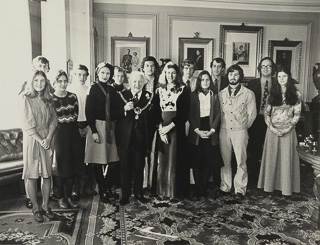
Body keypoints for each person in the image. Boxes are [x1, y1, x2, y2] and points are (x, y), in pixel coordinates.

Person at [115, 71, 160, 205]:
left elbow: (155, 117)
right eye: (134, 81)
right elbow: (114, 114)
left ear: (144, 83)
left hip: (141, 138)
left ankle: (139, 193)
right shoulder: (122, 95)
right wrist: (124, 109)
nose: (137, 84)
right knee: (124, 167)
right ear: (129, 82)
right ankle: (125, 195)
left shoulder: (150, 97)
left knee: (139, 166)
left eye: (140, 82)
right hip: (125, 137)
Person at [258, 66, 301, 196]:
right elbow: (266, 113)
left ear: (289, 77)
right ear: (277, 78)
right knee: (272, 158)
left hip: (288, 131)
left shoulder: (296, 94)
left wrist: (288, 128)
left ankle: (286, 188)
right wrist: (272, 128)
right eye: (279, 76)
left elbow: (297, 114)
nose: (282, 79)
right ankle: (270, 186)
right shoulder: (272, 93)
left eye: (284, 76)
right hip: (272, 131)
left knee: (286, 159)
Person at [21, 70, 57, 222]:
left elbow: (54, 120)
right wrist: (40, 139)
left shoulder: (49, 98)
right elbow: (27, 123)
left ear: (46, 82)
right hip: (32, 139)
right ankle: (35, 208)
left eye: (42, 81)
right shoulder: (25, 98)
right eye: (36, 81)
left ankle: (45, 205)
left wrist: (48, 138)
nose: (39, 84)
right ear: (32, 82)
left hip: (47, 139)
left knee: (47, 174)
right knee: (32, 174)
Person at [217, 64, 256, 200]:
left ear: (240, 76)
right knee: (225, 161)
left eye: (236, 74)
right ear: (227, 76)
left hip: (240, 131)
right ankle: (225, 187)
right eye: (230, 74)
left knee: (241, 161)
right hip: (224, 130)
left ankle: (240, 189)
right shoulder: (221, 94)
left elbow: (252, 115)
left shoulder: (248, 94)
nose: (232, 77)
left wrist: (242, 127)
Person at [85, 62, 120, 203]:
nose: (105, 76)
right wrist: (93, 130)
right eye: (102, 73)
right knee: (98, 161)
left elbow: (118, 108)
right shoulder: (93, 89)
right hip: (97, 127)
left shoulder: (112, 90)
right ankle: (103, 189)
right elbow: (89, 111)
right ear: (98, 73)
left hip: (110, 127)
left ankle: (106, 186)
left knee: (113, 160)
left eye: (108, 73)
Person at [156, 62, 191, 201]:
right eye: (168, 73)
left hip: (176, 129)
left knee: (176, 159)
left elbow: (183, 114)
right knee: (163, 160)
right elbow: (156, 113)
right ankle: (163, 190)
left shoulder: (183, 90)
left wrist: (168, 128)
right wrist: (161, 130)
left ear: (177, 75)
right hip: (162, 128)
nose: (170, 75)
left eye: (173, 73)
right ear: (164, 74)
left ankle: (174, 192)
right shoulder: (159, 90)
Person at [188, 70, 222, 200]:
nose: (205, 82)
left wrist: (212, 130)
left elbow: (218, 114)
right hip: (197, 128)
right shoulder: (193, 95)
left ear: (210, 81)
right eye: (202, 80)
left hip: (210, 128)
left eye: (208, 80)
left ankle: (203, 188)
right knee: (197, 161)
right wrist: (197, 130)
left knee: (207, 160)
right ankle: (196, 189)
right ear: (199, 81)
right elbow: (190, 114)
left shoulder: (215, 95)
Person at [52, 70, 83, 209]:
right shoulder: (50, 99)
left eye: (65, 81)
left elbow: (75, 114)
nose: (63, 84)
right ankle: (61, 198)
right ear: (55, 83)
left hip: (73, 132)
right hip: (58, 134)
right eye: (60, 81)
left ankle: (69, 196)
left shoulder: (73, 97)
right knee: (60, 167)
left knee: (72, 165)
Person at [247, 57, 276, 185]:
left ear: (272, 68)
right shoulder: (252, 83)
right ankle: (253, 178)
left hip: (273, 120)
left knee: (270, 149)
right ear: (259, 68)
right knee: (254, 148)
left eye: (269, 66)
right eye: (263, 66)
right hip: (256, 120)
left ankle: (269, 179)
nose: (266, 68)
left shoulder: (277, 83)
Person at [68, 64, 96, 198]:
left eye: (84, 75)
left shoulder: (90, 89)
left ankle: (88, 187)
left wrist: (88, 126)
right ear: (74, 75)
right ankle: (75, 187)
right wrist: (77, 128)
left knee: (88, 157)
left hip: (88, 124)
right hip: (73, 125)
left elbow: (92, 110)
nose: (82, 77)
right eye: (79, 74)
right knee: (76, 157)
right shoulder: (69, 89)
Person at [141, 56, 160, 197]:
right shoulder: (138, 81)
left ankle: (153, 184)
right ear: (143, 67)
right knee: (142, 154)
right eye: (147, 65)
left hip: (155, 121)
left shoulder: (160, 82)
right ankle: (142, 184)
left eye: (152, 66)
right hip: (141, 121)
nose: (150, 68)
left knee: (154, 153)